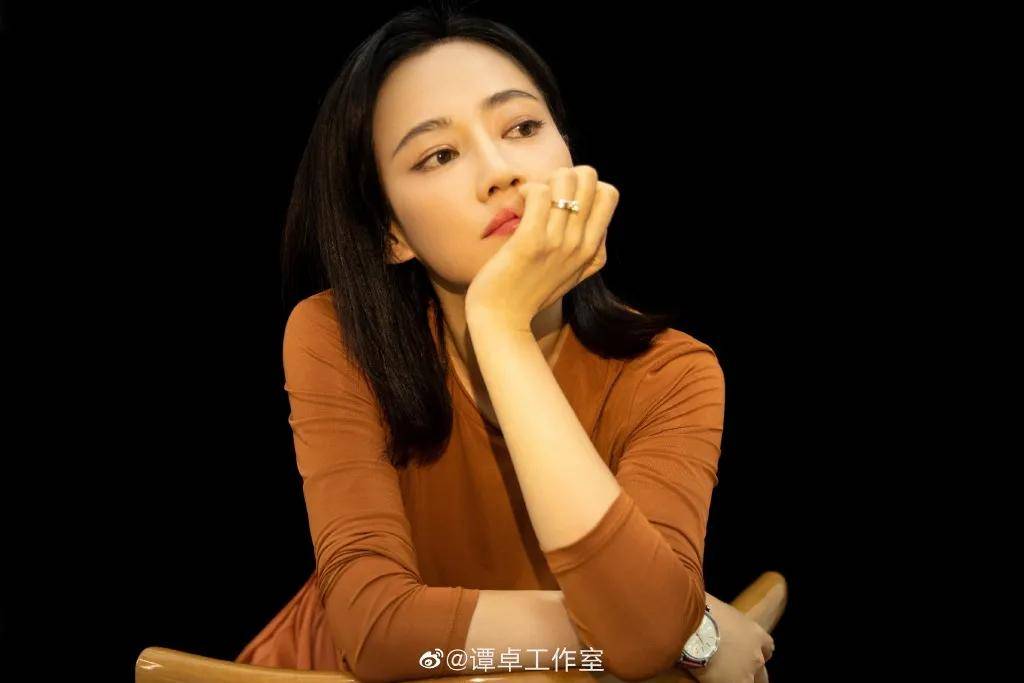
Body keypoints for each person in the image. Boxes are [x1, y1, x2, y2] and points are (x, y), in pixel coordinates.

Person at [236, 4, 774, 682]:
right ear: (391, 232)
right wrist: (687, 627)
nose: (500, 172)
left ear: (569, 153)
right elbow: (378, 632)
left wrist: (500, 328)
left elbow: (642, 632)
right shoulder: (334, 335)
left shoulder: (673, 373)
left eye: (522, 127)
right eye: (439, 155)